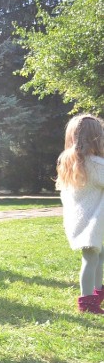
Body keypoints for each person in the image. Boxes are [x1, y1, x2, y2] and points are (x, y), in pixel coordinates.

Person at [56, 114, 104, 314]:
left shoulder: (69, 162)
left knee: (97, 257)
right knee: (92, 258)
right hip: (93, 221)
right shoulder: (96, 164)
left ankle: (97, 292)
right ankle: (87, 300)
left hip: (80, 220)